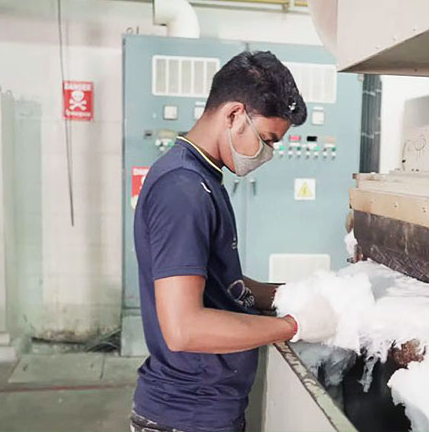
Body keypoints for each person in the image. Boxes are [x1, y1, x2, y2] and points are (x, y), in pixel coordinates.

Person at [130, 51, 339, 432]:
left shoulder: (203, 179)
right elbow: (184, 328)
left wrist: (290, 293)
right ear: (234, 115)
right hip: (188, 415)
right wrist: (295, 325)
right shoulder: (183, 190)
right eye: (267, 139)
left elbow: (223, 286)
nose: (268, 154)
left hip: (207, 408)